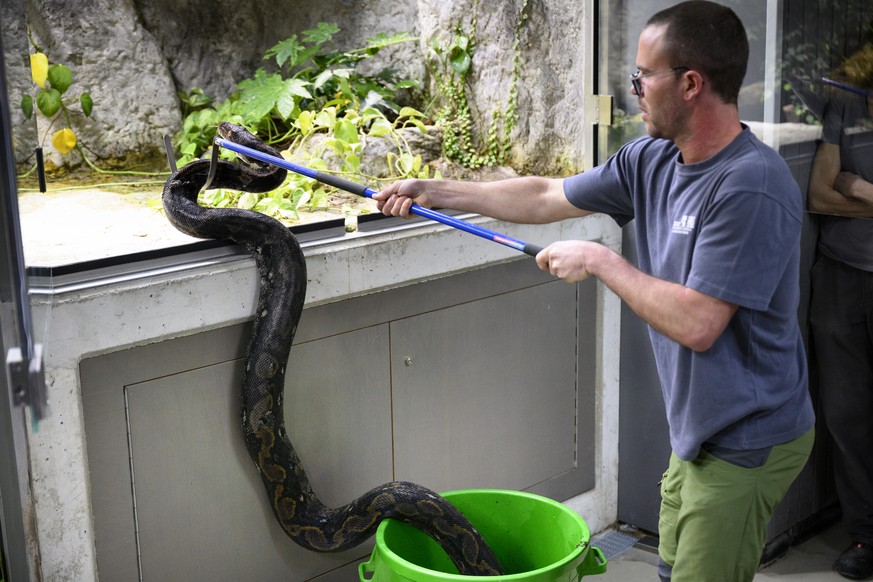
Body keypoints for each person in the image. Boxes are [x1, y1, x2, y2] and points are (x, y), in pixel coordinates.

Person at [374, 2, 815, 580]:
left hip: (747, 437)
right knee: (671, 570)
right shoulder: (653, 158)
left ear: (690, 84)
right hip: (699, 431)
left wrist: (602, 260)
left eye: (642, 75)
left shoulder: (749, 186)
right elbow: (543, 196)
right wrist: (436, 190)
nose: (633, 88)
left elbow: (698, 324)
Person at [807, 48, 873, 580]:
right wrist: (846, 188)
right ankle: (865, 534)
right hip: (842, 276)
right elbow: (820, 196)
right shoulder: (850, 106)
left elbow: (842, 187)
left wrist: (858, 186)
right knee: (847, 411)